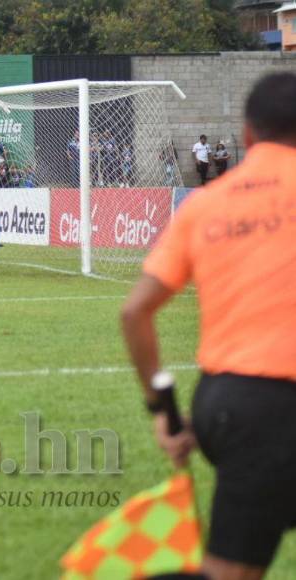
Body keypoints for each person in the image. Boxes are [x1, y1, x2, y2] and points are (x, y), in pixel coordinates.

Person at [120, 72, 296, 580]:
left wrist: (163, 411)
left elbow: (135, 312)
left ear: (246, 135)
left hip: (235, 408)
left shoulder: (206, 205)